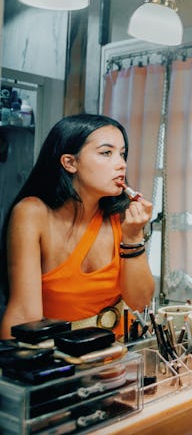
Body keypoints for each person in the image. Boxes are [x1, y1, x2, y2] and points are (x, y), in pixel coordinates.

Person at [0, 113, 155, 339]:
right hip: (62, 360)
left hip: (120, 356)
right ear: (70, 163)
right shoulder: (32, 213)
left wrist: (132, 238)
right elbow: (24, 313)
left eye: (122, 154)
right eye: (106, 153)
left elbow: (140, 302)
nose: (121, 164)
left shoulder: (122, 215)